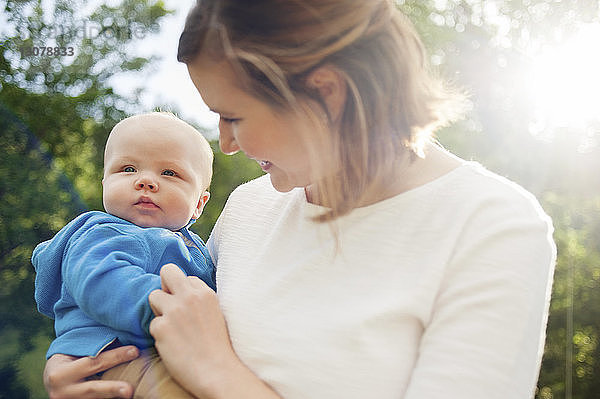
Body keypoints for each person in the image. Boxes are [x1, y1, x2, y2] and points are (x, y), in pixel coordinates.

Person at [42, 1, 556, 398]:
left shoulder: (492, 227)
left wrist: (220, 374)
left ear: (326, 93)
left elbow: (200, 351)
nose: (227, 144)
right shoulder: (248, 207)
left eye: (234, 116)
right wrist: (77, 369)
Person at [33, 112, 215, 398]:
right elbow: (100, 281)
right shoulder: (103, 233)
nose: (145, 181)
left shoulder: (194, 247)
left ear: (199, 204)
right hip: (114, 356)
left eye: (169, 173)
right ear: (105, 182)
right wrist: (167, 308)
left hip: (158, 352)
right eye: (128, 169)